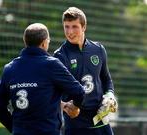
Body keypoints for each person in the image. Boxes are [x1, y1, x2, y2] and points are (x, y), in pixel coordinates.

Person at [0, 23, 86, 135]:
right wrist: (75, 107)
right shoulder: (51, 64)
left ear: (25, 42)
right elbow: (79, 92)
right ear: (44, 43)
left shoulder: (9, 68)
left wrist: (15, 128)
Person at [54, 7, 118, 135]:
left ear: (84, 27)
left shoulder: (98, 49)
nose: (70, 31)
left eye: (74, 27)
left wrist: (110, 95)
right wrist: (64, 106)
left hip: (100, 117)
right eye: (66, 27)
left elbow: (106, 78)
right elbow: (52, 92)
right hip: (76, 121)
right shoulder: (59, 56)